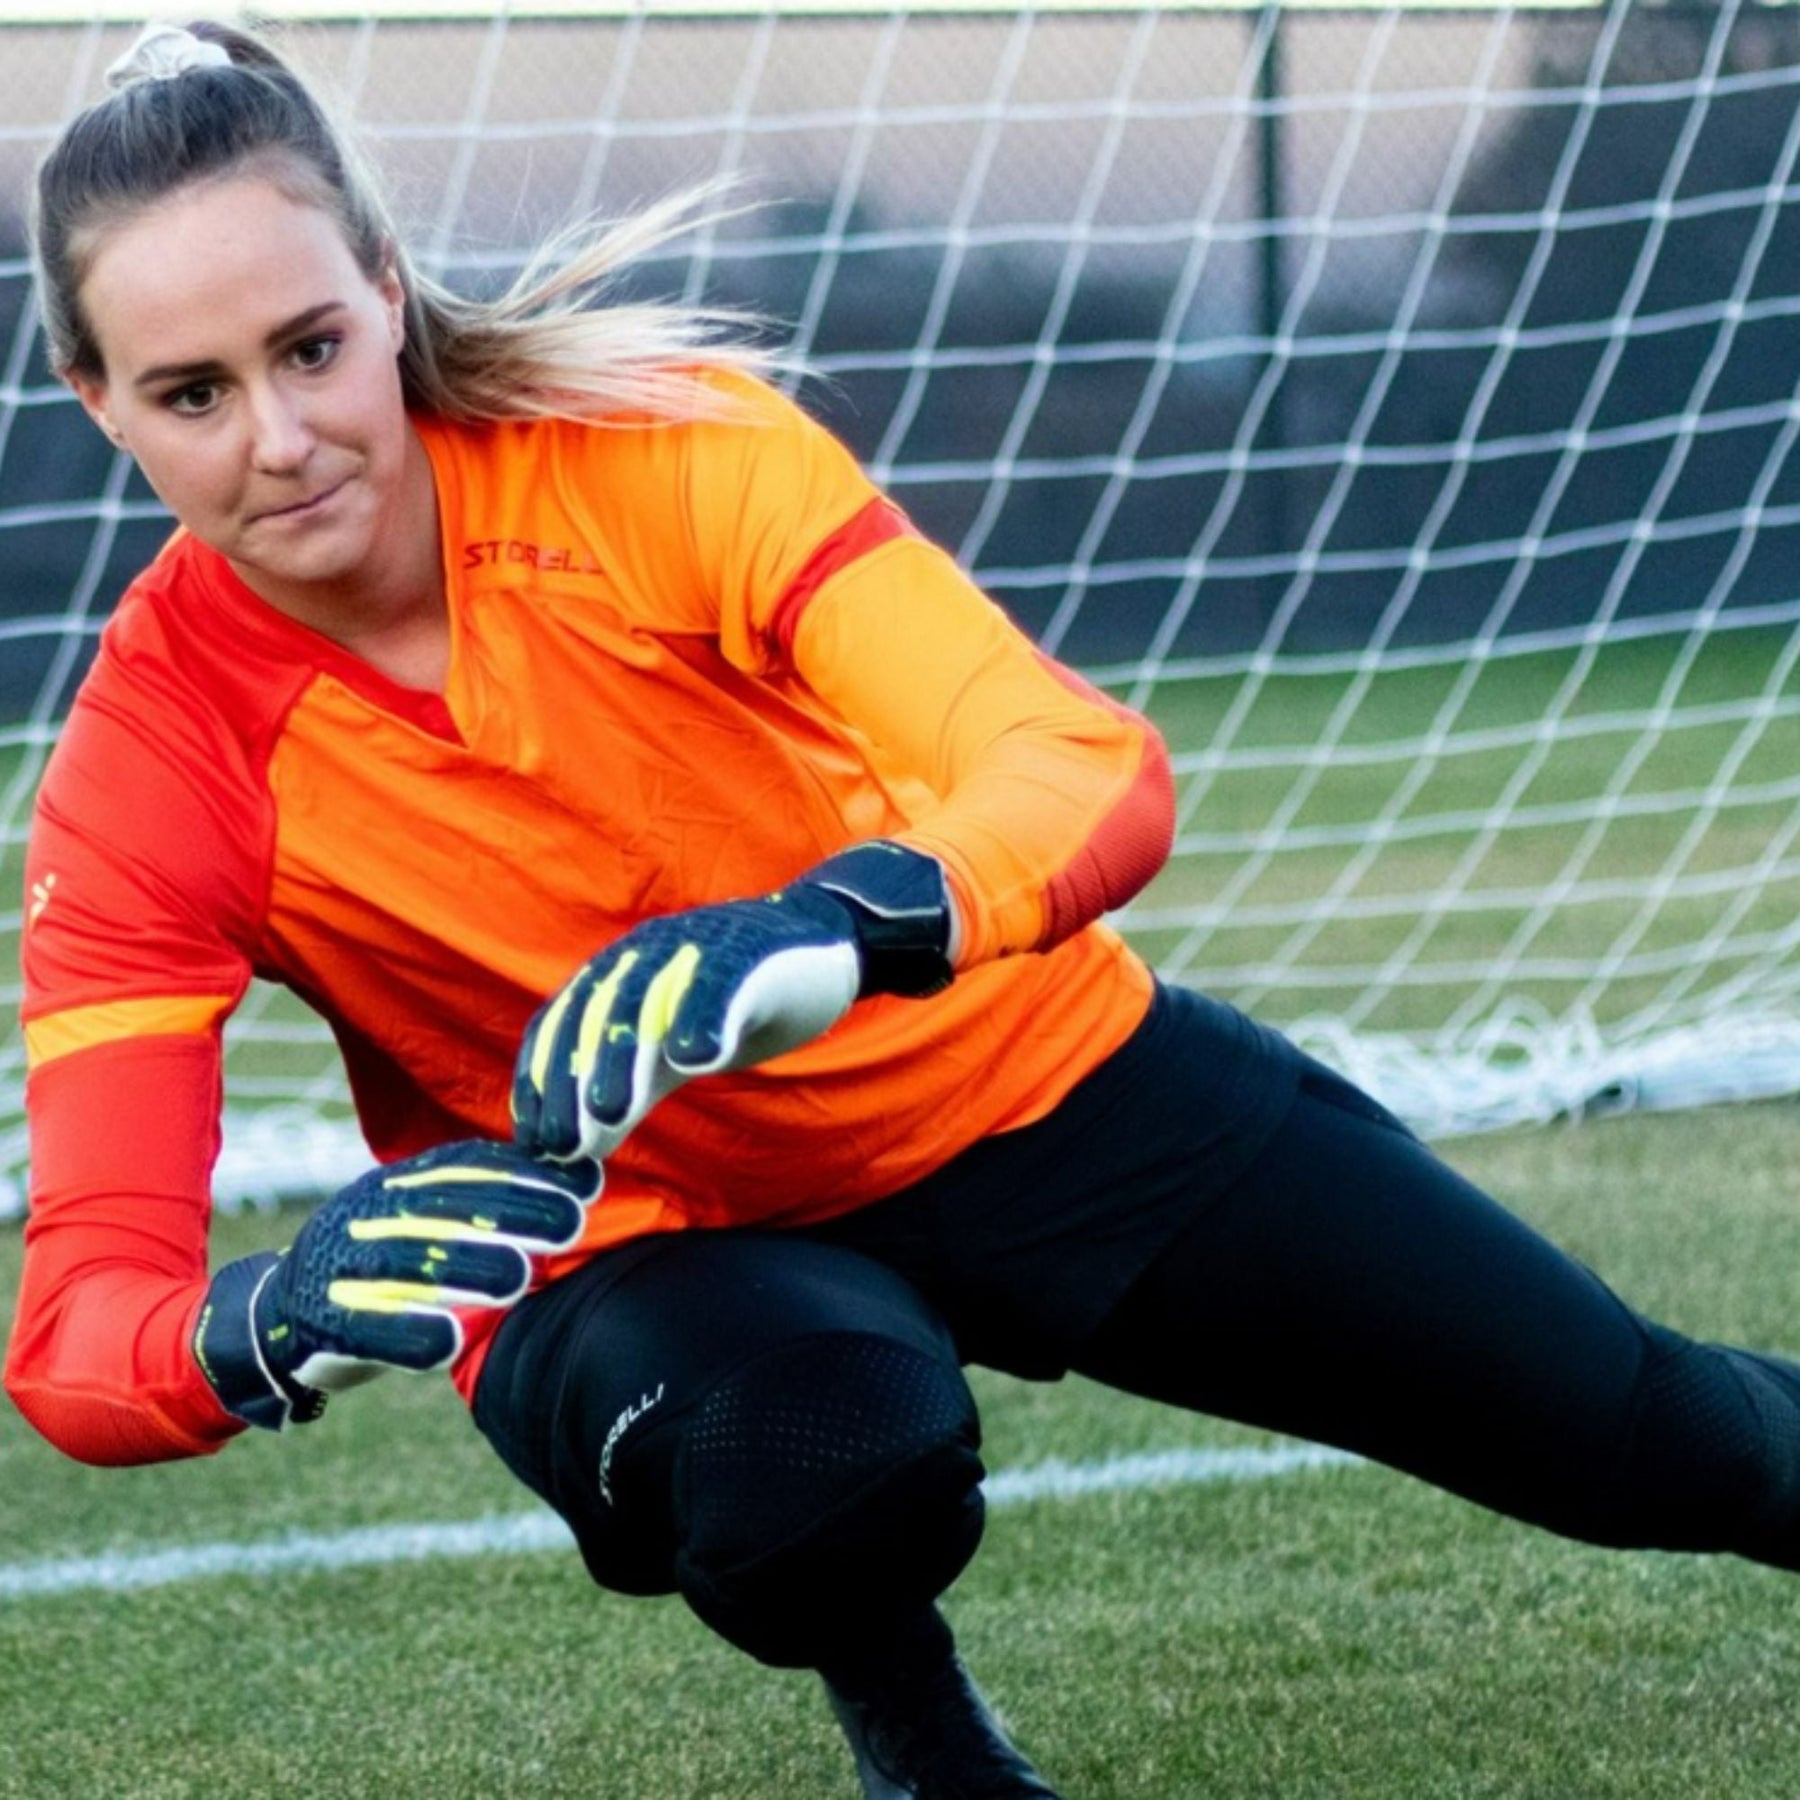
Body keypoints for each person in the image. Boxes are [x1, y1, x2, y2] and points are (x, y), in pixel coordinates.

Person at [10, 18, 1800, 1799]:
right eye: (193, 394)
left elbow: (1081, 765)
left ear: (390, 293)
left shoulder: (652, 457)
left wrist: (838, 928)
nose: (283, 439)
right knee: (817, 1461)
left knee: (1653, 1440)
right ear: (100, 401)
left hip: (1027, 1082)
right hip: (642, 1238)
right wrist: (260, 1325)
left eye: (312, 348)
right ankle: (927, 1740)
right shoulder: (149, 772)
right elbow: (80, 1329)